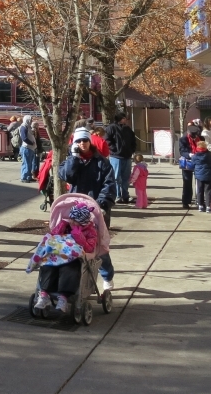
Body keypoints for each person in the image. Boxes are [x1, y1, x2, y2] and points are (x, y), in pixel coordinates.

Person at [58, 132, 117, 290]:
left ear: (90, 141)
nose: (82, 143)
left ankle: (107, 276)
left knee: (99, 247)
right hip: (76, 211)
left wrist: (101, 205)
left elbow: (109, 185)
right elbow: (66, 176)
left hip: (97, 210)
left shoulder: (102, 162)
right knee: (74, 245)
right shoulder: (71, 159)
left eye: (85, 140)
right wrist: (74, 158)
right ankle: (77, 280)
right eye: (79, 141)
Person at [33, 200, 100, 311]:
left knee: (69, 269)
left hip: (74, 257)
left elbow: (89, 248)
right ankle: (44, 293)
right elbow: (53, 237)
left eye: (74, 220)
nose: (71, 222)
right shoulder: (66, 225)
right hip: (58, 254)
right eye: (71, 218)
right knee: (48, 265)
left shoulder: (91, 231)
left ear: (82, 222)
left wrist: (79, 236)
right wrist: (61, 227)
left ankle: (63, 297)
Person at [105, 113, 137, 204]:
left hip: (127, 156)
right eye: (124, 118)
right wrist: (114, 149)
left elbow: (133, 140)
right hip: (116, 157)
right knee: (116, 177)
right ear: (120, 119)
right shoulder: (111, 128)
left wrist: (132, 150)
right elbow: (107, 140)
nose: (126, 120)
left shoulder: (127, 129)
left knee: (126, 178)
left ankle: (125, 195)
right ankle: (117, 196)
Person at [190, 140, 211, 213]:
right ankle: (208, 207)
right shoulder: (209, 154)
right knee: (208, 191)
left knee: (199, 190)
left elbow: (193, 163)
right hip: (208, 174)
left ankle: (200, 206)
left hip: (199, 175)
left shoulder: (195, 156)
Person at [178, 125, 200, 209]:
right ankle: (186, 201)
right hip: (187, 163)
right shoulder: (183, 139)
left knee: (200, 182)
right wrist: (189, 154)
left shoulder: (200, 138)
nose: (194, 138)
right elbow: (182, 151)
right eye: (193, 136)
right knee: (187, 182)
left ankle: (200, 201)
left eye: (195, 136)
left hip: (198, 162)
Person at [19, 115, 38, 182]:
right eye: (30, 120)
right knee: (26, 163)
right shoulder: (23, 127)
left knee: (29, 163)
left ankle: (28, 177)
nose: (31, 121)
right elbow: (24, 138)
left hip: (30, 148)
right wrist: (31, 143)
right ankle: (24, 177)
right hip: (26, 147)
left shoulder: (28, 127)